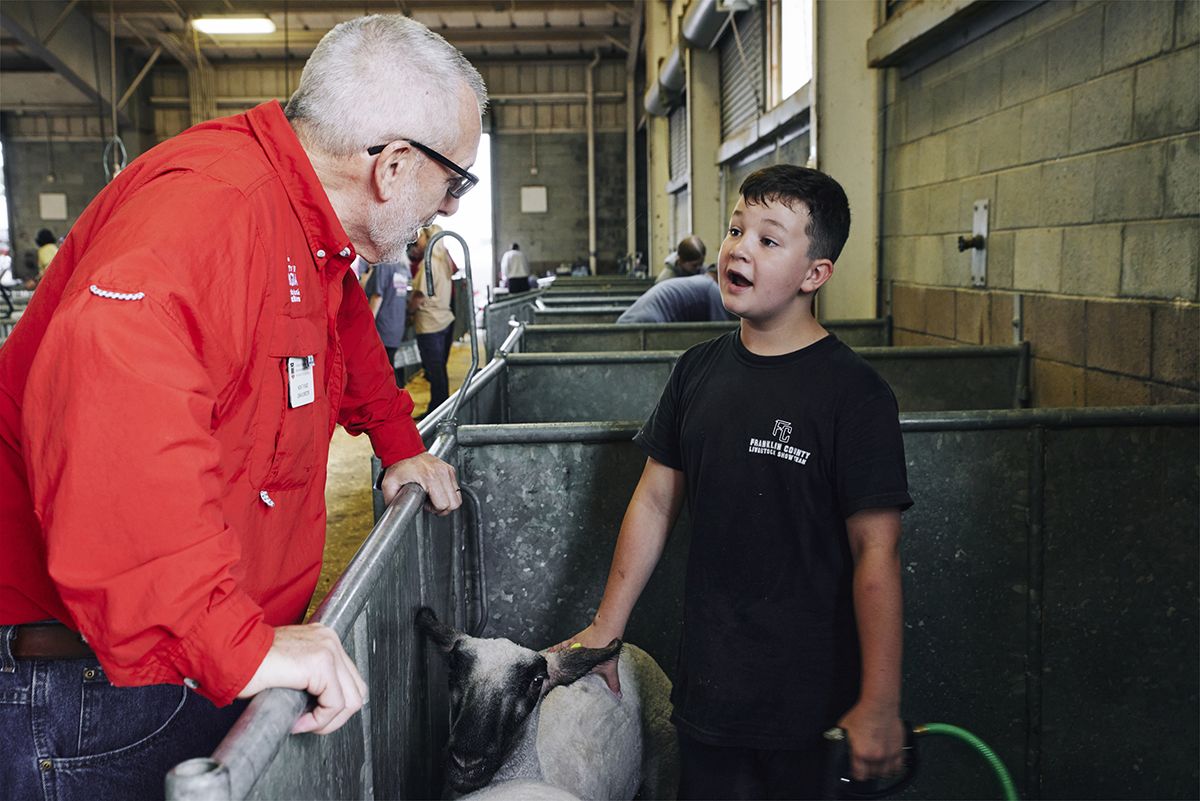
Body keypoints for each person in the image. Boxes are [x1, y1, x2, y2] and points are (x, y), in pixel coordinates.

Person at [0, 14, 485, 800]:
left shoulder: (304, 225)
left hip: (176, 662)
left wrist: (398, 439)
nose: (453, 207)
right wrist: (235, 645)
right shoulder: (215, 209)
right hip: (91, 687)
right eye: (454, 181)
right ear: (393, 166)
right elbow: (110, 398)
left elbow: (341, 321)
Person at [553, 165, 912, 799]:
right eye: (734, 228)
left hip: (815, 706)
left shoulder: (854, 395)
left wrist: (879, 702)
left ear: (814, 274)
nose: (739, 247)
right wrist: (606, 628)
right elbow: (656, 501)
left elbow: (876, 553)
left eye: (768, 240)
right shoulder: (696, 372)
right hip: (710, 693)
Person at [408, 223, 458, 415]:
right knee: (439, 369)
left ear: (429, 239)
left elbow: (419, 297)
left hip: (430, 323)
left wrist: (408, 311)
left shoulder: (428, 264)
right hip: (444, 319)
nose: (417, 239)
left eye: (421, 236)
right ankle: (439, 408)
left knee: (434, 370)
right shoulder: (444, 262)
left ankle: (437, 411)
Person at [365, 248, 414, 387]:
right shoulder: (404, 267)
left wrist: (365, 326)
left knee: (385, 371)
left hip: (383, 326)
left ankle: (396, 403)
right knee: (393, 368)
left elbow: (377, 296)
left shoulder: (384, 265)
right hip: (397, 325)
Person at [616, 266, 730, 324]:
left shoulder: (700, 282)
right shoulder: (712, 288)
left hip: (628, 319)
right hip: (647, 323)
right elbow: (719, 329)